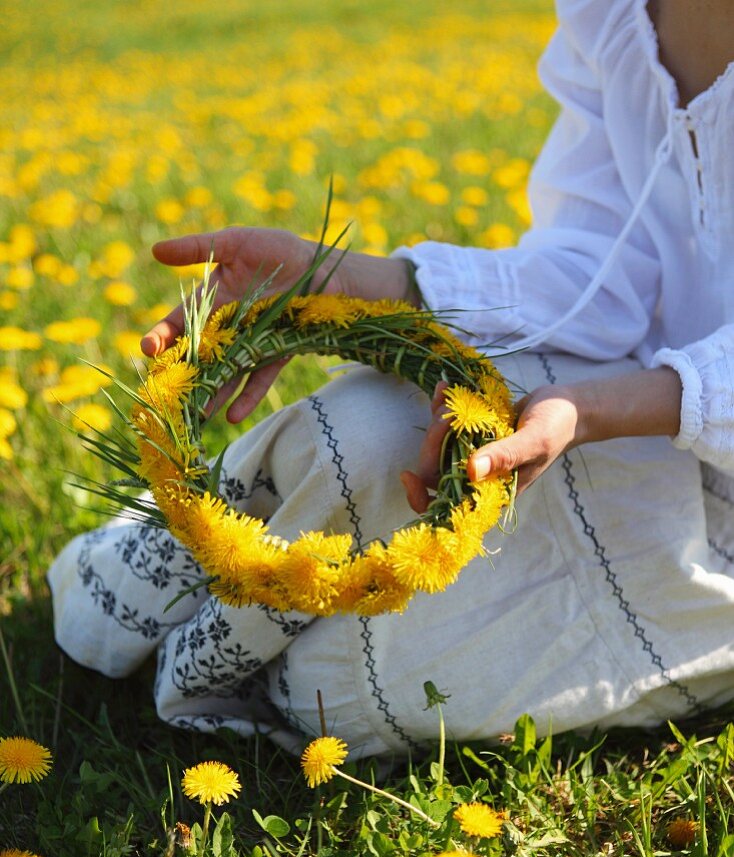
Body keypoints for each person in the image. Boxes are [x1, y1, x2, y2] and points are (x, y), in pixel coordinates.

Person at [49, 0, 734, 759]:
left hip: (700, 486)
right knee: (358, 440)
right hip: (630, 404)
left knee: (340, 691)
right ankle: (128, 611)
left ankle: (241, 660)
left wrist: (589, 410)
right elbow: (595, 275)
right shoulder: (616, 13)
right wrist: (334, 277)